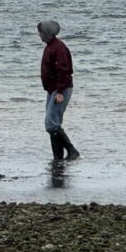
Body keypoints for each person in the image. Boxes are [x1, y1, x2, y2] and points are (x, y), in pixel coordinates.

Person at [38, 20, 79, 160]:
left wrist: (60, 92)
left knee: (51, 124)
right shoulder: (50, 46)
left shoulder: (58, 47)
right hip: (52, 89)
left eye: (40, 32)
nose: (39, 35)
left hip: (61, 88)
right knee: (52, 124)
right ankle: (58, 157)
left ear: (46, 33)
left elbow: (65, 70)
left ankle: (72, 151)